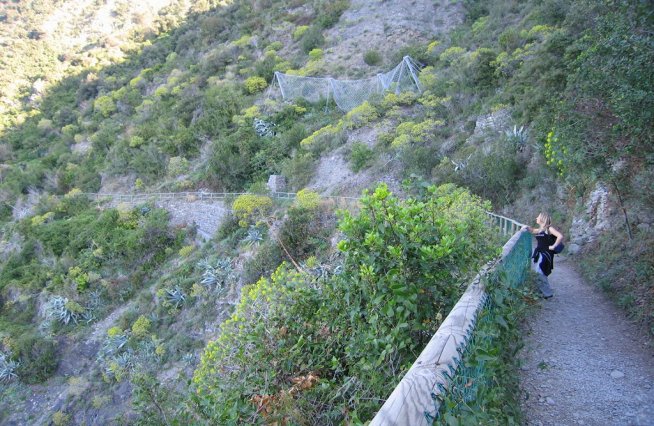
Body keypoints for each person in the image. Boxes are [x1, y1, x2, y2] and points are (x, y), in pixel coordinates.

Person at [522, 212, 564, 298]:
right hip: (541, 253)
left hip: (546, 254)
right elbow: (533, 230)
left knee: (540, 272)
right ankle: (544, 292)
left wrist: (554, 246)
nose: (536, 218)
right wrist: (526, 227)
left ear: (542, 218)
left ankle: (547, 293)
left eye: (538, 217)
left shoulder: (549, 228)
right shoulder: (541, 229)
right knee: (540, 272)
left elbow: (560, 236)